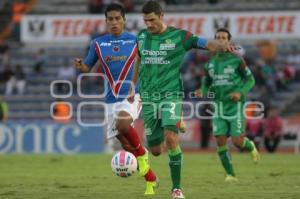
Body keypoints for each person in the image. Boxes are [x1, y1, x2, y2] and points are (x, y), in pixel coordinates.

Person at [129, 1, 233, 198]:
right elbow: (139, 60)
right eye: (145, 21)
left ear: (161, 16)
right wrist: (132, 85)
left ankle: (176, 189)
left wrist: (220, 46)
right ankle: (176, 121)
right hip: (149, 98)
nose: (148, 24)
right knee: (156, 149)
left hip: (171, 95)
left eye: (152, 20)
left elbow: (202, 42)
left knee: (171, 139)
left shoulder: (179, 36)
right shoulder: (141, 37)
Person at [74, 3, 158, 195]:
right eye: (110, 19)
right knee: (126, 145)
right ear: (105, 21)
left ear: (124, 20)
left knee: (122, 124)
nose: (113, 22)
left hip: (132, 94)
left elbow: (149, 62)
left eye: (117, 18)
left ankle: (143, 154)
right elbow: (88, 67)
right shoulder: (98, 44)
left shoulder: (136, 40)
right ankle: (151, 180)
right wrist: (81, 66)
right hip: (111, 100)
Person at [199, 28, 260, 182]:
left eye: (224, 37)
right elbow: (206, 83)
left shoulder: (237, 60)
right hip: (218, 107)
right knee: (220, 140)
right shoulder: (210, 64)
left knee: (237, 142)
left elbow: (251, 80)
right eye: (218, 37)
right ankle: (230, 174)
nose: (220, 40)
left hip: (235, 106)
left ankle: (250, 146)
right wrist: (203, 90)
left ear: (228, 41)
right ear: (214, 41)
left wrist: (240, 92)